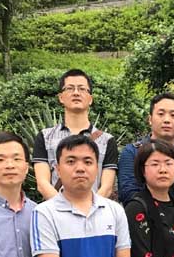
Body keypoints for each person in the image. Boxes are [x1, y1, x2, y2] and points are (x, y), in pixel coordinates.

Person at [32, 69, 119, 200]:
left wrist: (89, 208)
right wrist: (63, 208)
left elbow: (106, 187)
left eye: (82, 89)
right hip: (55, 211)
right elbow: (43, 184)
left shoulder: (107, 140)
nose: (76, 93)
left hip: (94, 211)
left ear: (90, 99)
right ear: (61, 97)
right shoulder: (45, 137)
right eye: (70, 88)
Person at [118, 92, 174, 204]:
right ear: (150, 119)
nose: (167, 120)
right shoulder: (132, 152)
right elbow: (128, 193)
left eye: (173, 115)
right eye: (161, 114)